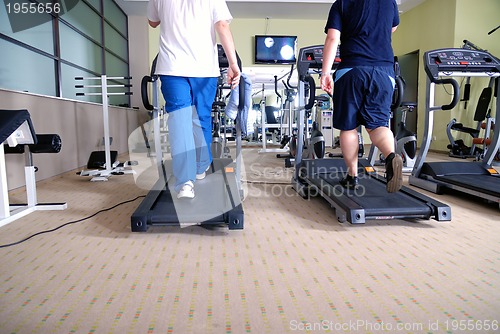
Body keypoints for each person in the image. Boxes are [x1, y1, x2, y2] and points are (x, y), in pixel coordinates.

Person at [147, 0, 240, 199]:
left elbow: (152, 22)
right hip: (204, 68)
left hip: (172, 67)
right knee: (202, 118)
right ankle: (200, 165)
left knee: (180, 119)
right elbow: (222, 25)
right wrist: (233, 63)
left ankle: (185, 183)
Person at [320, 0, 403, 193]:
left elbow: (332, 38)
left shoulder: (342, 3)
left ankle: (352, 176)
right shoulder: (389, 2)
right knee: (378, 125)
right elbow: (393, 27)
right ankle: (391, 156)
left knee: (348, 127)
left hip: (352, 69)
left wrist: (325, 73)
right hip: (384, 72)